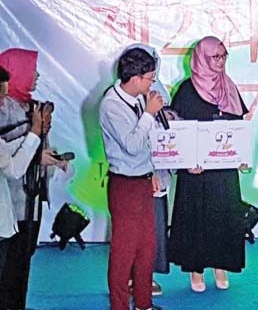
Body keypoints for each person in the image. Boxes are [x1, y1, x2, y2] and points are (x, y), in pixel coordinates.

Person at [167, 36, 248, 292]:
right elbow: (175, 131)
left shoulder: (229, 87)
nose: (221, 62)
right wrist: (186, 162)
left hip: (224, 170)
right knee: (196, 219)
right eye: (215, 57)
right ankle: (196, 270)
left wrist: (243, 155)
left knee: (224, 217)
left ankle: (221, 265)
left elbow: (240, 126)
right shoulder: (186, 90)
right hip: (196, 171)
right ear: (202, 58)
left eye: (224, 56)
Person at [0, 49, 67, 310]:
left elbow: (35, 147)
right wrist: (37, 153)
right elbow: (9, 158)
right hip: (10, 201)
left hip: (31, 198)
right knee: (8, 263)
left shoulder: (32, 106)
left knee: (23, 259)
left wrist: (51, 159)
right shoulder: (4, 108)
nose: (37, 75)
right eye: (32, 69)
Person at [99, 48, 164, 310]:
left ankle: (144, 304)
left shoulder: (136, 98)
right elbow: (132, 146)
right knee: (123, 252)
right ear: (135, 78)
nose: (152, 83)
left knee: (147, 247)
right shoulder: (111, 105)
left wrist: (153, 170)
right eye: (150, 78)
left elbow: (146, 143)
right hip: (124, 184)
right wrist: (149, 114)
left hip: (142, 180)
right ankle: (119, 306)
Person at [122, 43, 173, 297]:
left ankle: (146, 277)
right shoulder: (122, 99)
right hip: (137, 173)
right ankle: (131, 279)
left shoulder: (157, 90)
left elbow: (167, 126)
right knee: (133, 231)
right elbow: (131, 141)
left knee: (154, 228)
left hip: (159, 170)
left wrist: (170, 118)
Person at [0, 66, 45, 278]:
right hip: (12, 202)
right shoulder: (9, 110)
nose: (2, 102)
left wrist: (35, 137)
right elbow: (13, 169)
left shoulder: (28, 105)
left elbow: (4, 149)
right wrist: (34, 133)